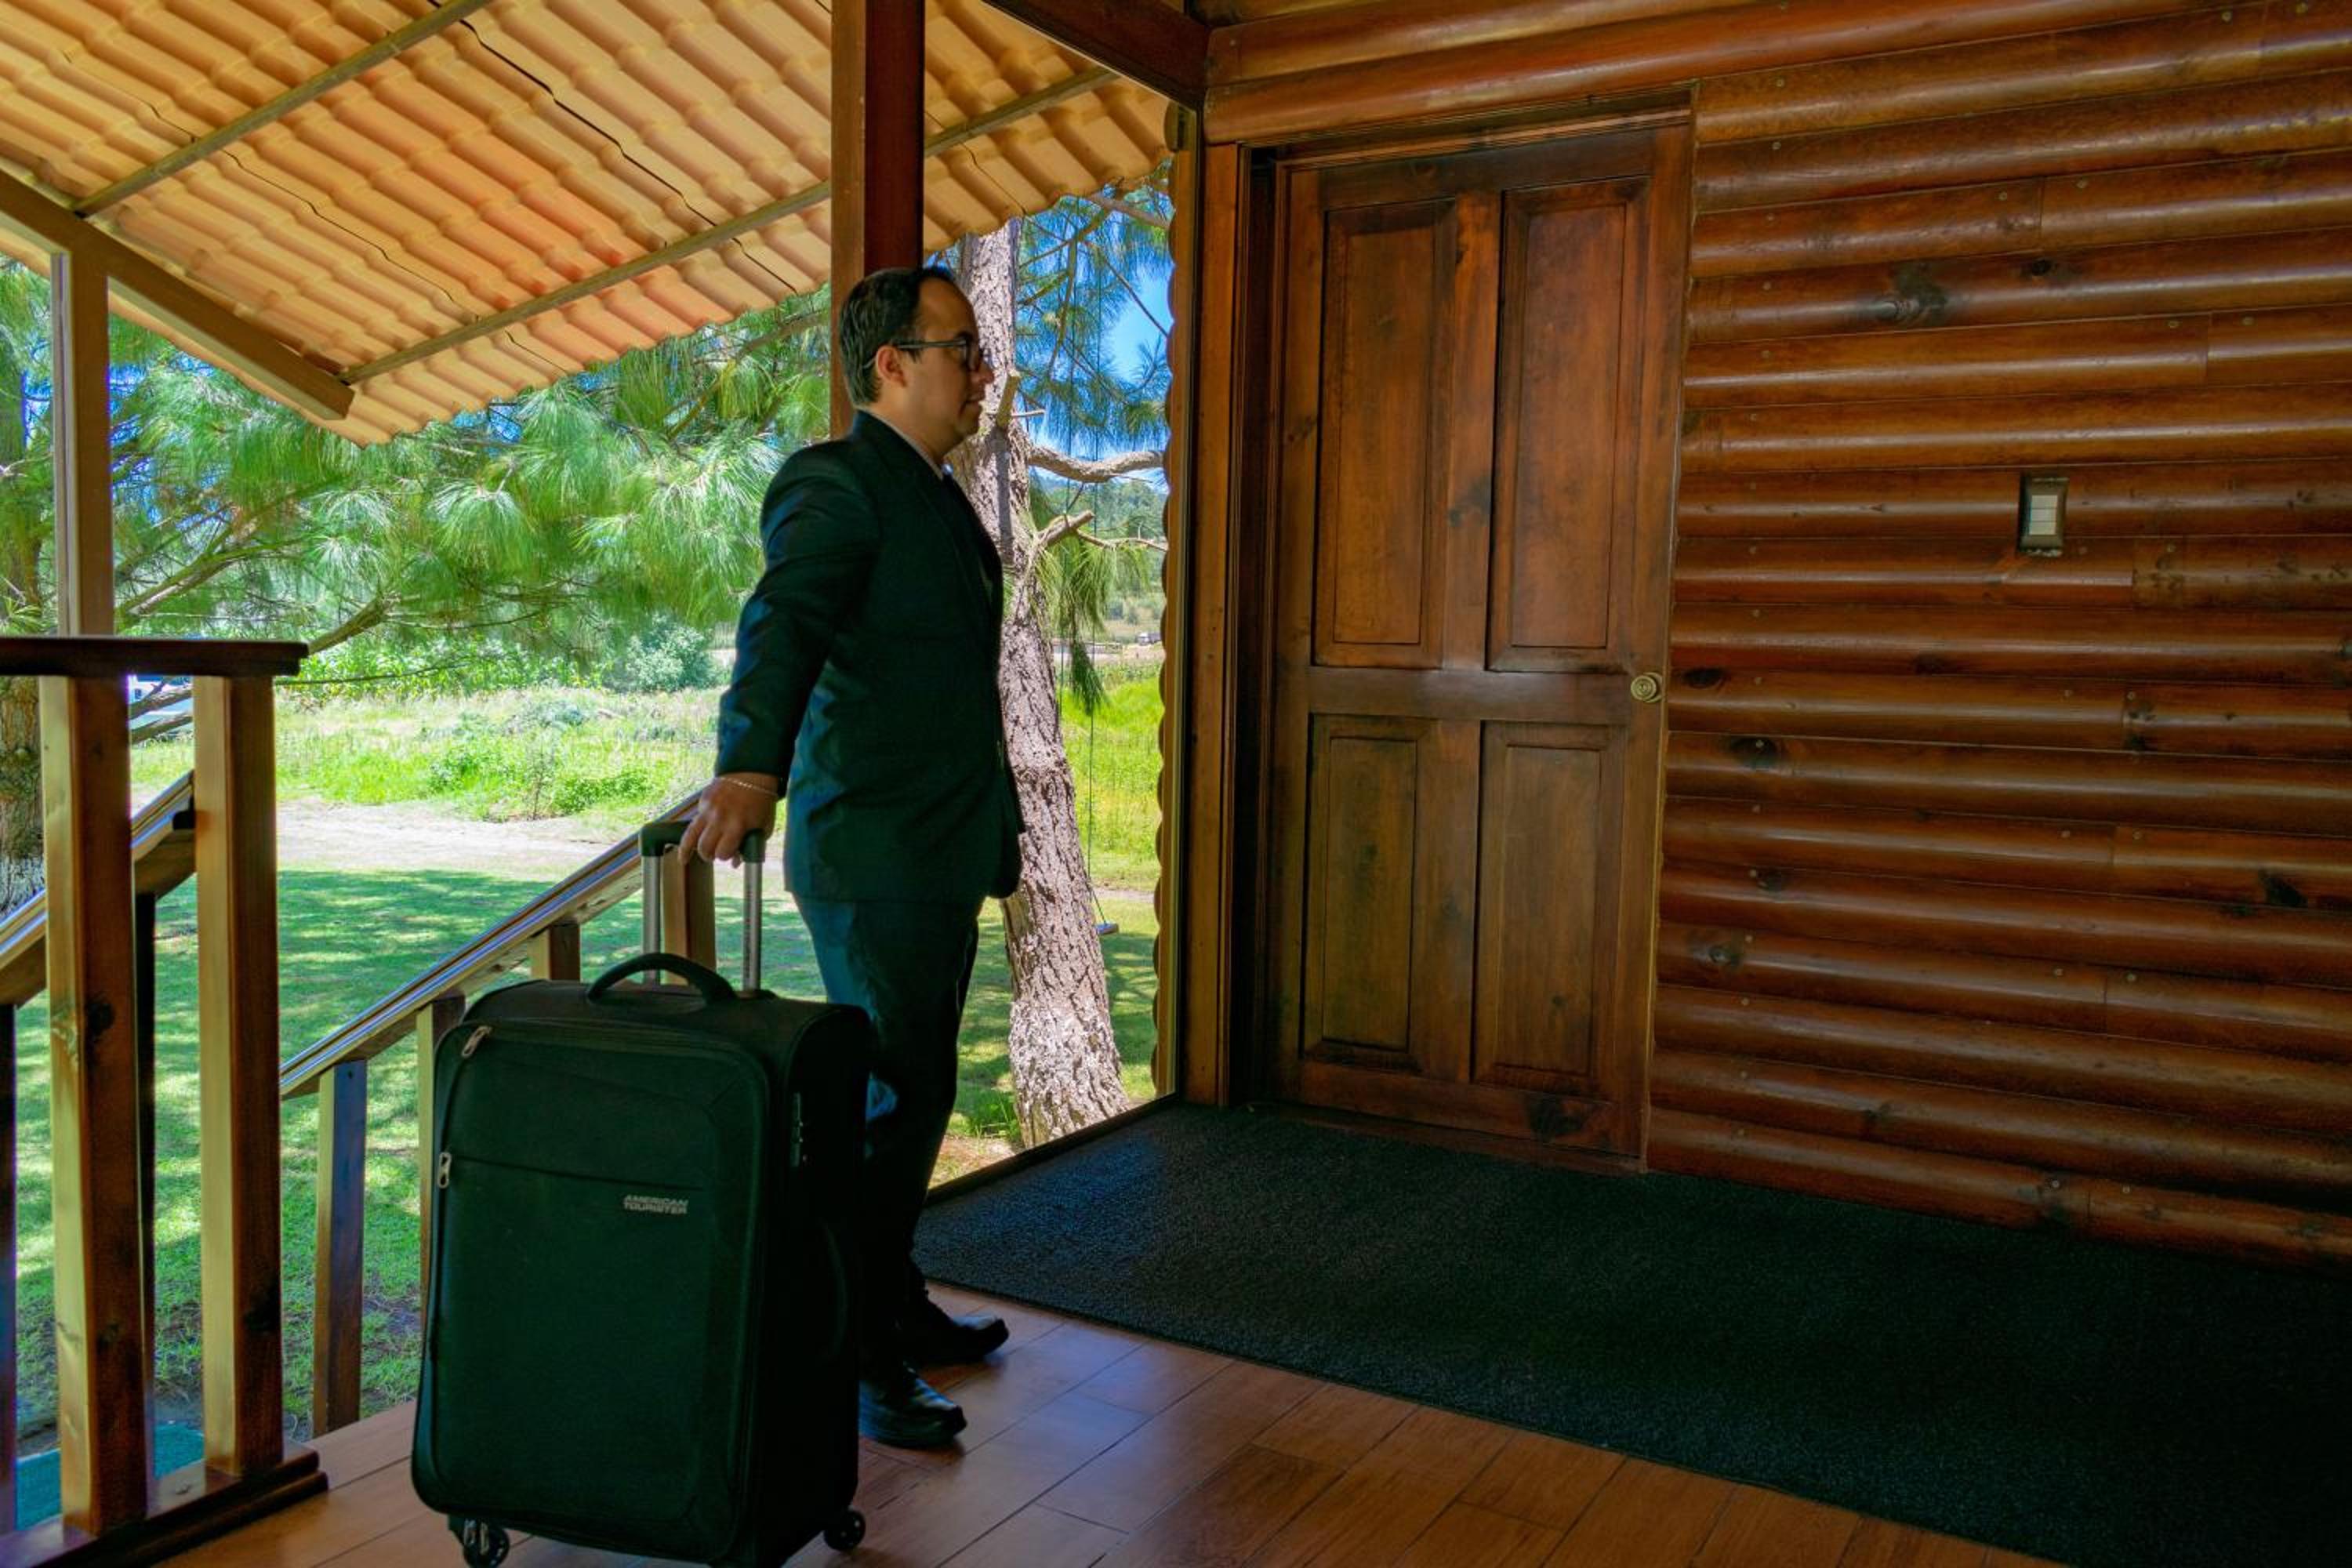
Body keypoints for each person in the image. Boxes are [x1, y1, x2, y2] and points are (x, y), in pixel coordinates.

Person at [680, 264, 1021, 1449]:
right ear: (893, 365)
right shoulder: (836, 483)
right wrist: (748, 768)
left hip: (937, 849)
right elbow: (785, 620)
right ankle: (861, 1357)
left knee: (916, 1095)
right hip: (873, 850)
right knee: (889, 1104)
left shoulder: (937, 495)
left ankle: (895, 1300)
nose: (981, 371)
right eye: (962, 348)